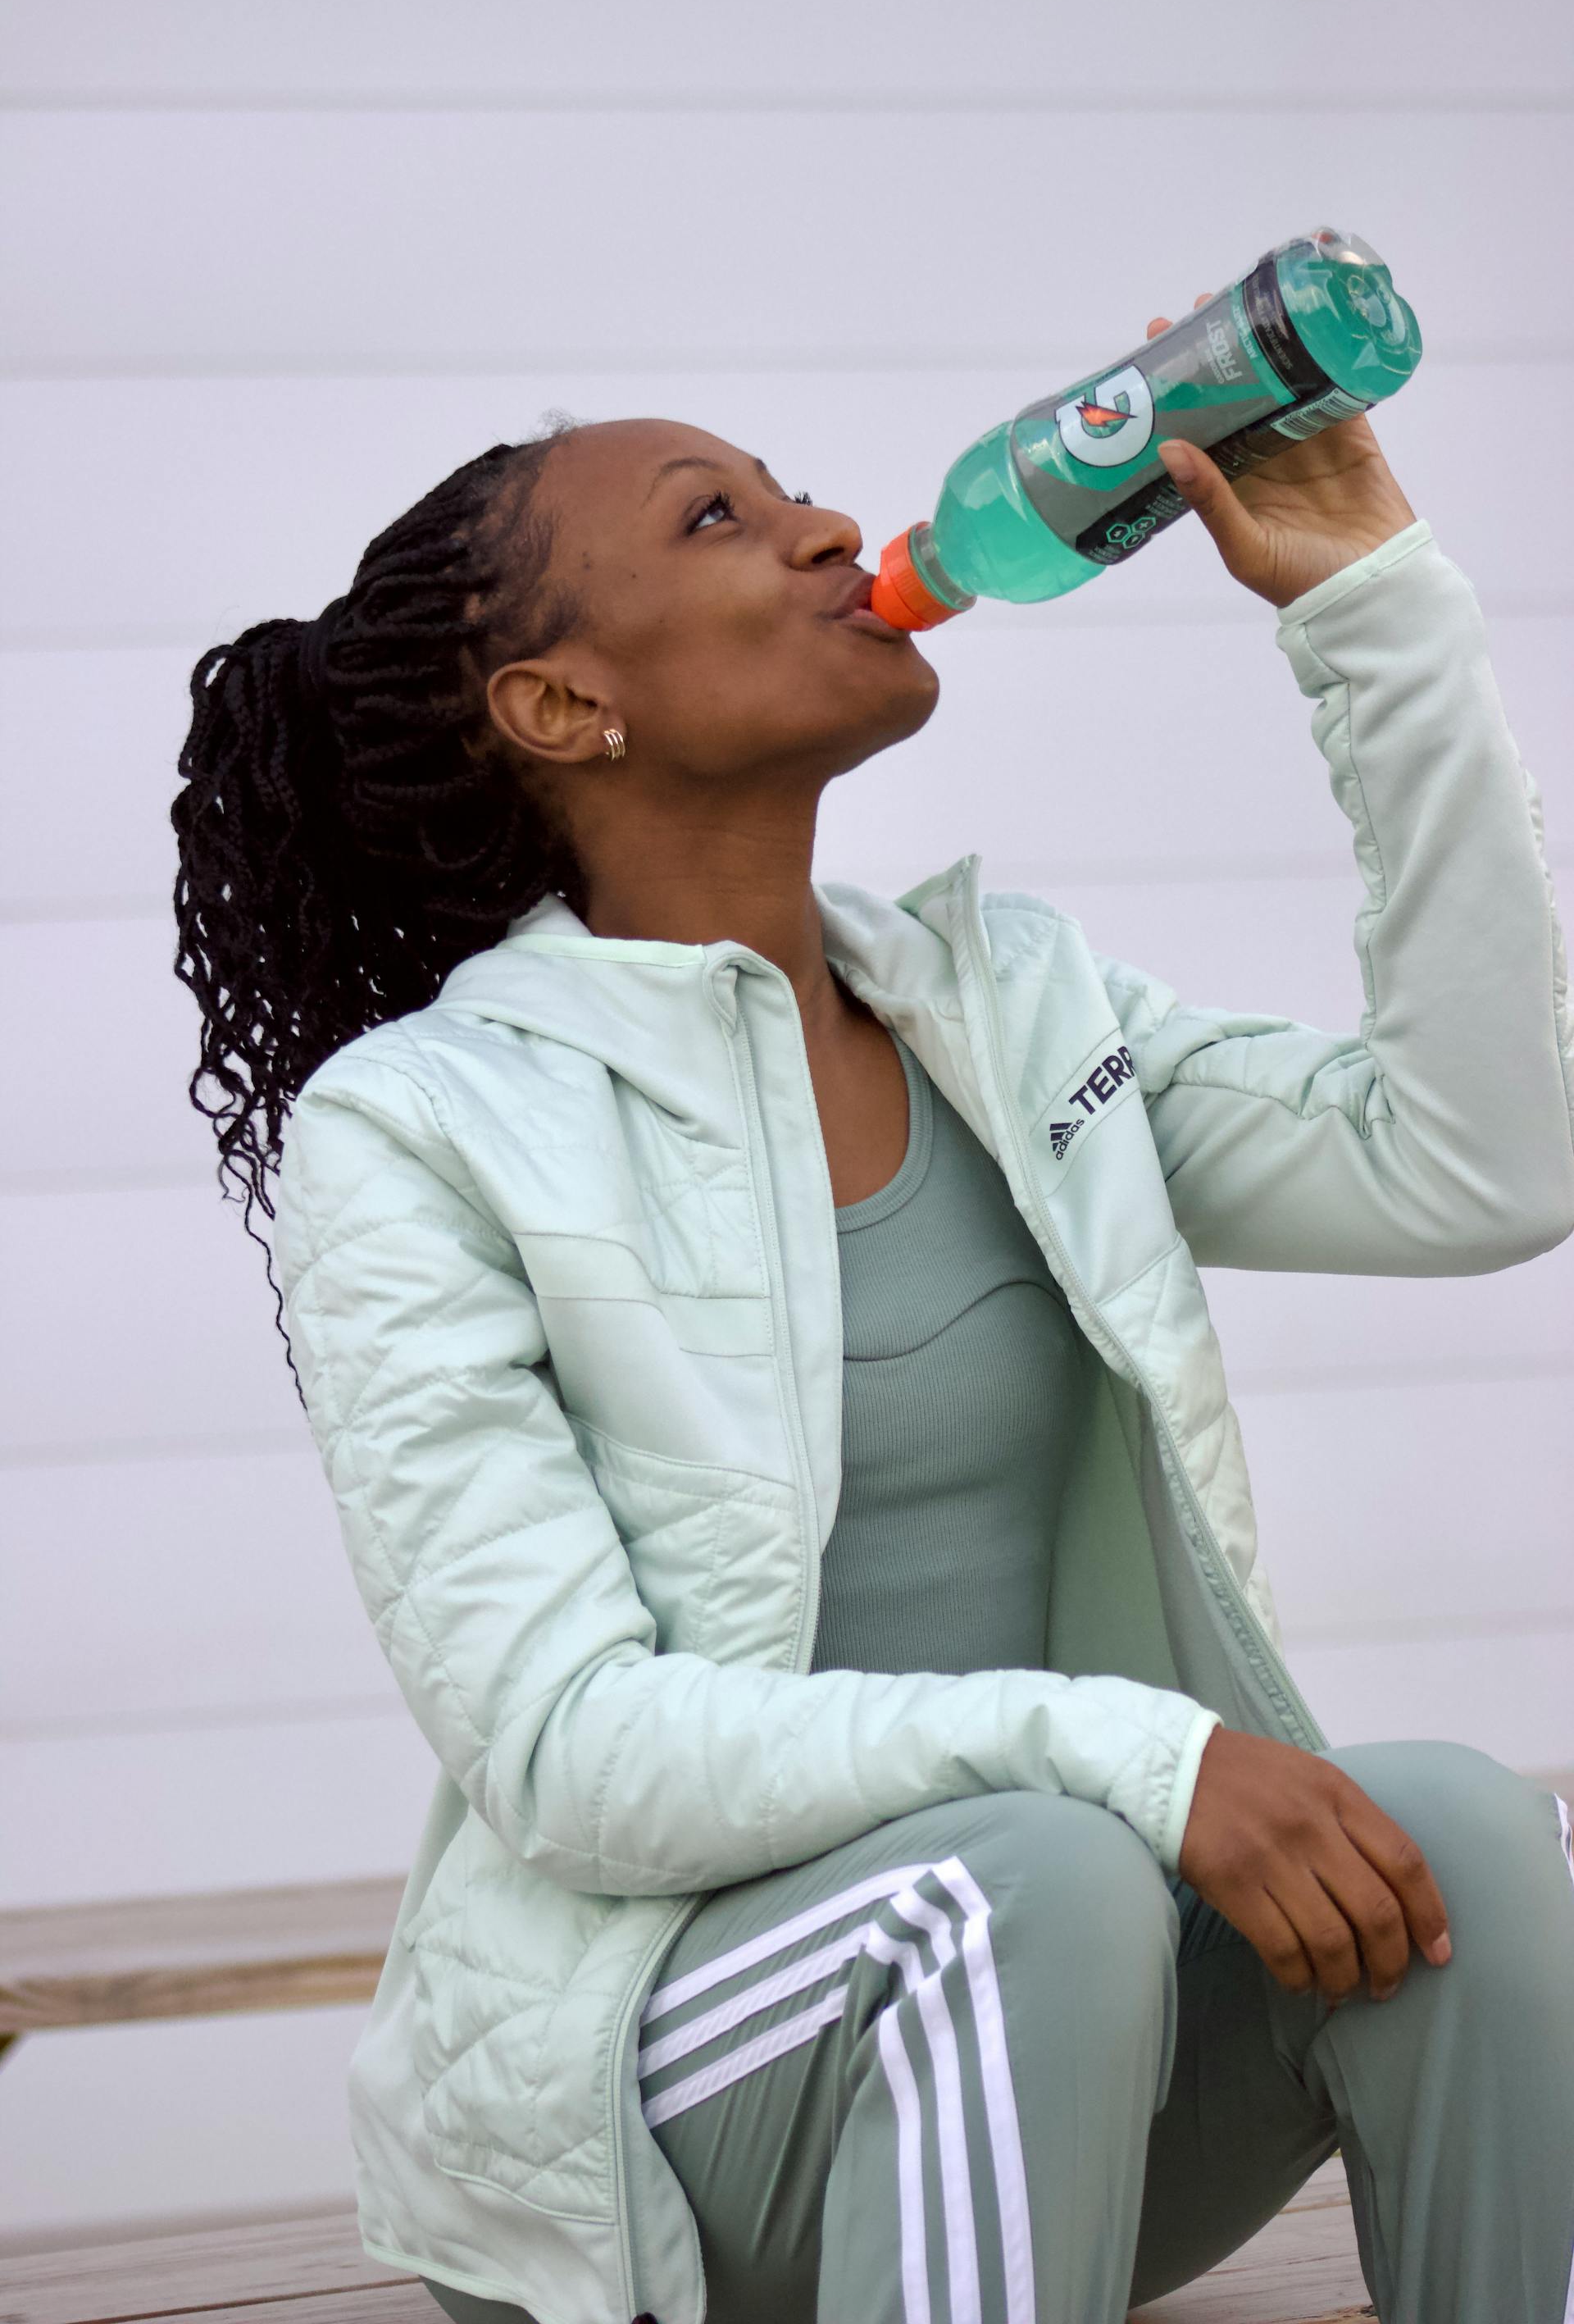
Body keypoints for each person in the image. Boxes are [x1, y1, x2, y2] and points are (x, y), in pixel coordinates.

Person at [171, 289, 1574, 2324]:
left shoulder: (1011, 1012)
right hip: (668, 2115)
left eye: (794, 492)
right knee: (1038, 1874)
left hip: (1050, 2017)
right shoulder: (425, 1129)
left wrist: (1373, 607)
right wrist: (1134, 1753)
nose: (831, 529)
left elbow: (1482, 1160)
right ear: (565, 708)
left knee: (1462, 1836)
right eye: (720, 522)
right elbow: (567, 1750)